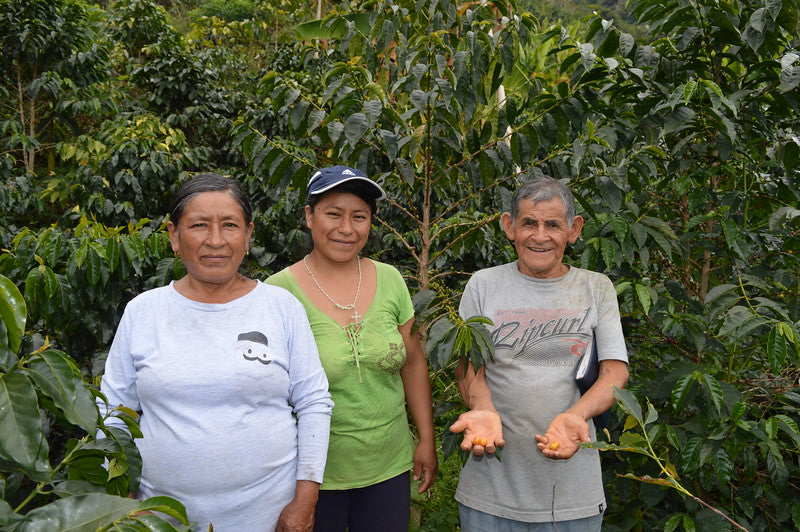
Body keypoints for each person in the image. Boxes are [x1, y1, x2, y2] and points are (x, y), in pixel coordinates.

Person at [98, 173, 333, 531]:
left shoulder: (280, 307)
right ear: (174, 236)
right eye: (198, 225)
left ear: (248, 235)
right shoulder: (144, 312)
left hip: (267, 515)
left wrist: (306, 499)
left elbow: (314, 402)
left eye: (229, 225)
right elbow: (113, 410)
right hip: (159, 517)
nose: (216, 240)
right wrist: (120, 497)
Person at [450, 177, 630, 531]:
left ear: (574, 230)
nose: (540, 236)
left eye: (553, 225)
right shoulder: (482, 285)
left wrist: (577, 416)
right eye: (529, 222)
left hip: (572, 496)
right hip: (489, 491)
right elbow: (468, 367)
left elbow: (615, 373)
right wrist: (482, 408)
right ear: (509, 226)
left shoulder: (596, 288)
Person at [265, 165, 438, 531]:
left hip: (388, 463)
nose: (347, 228)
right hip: (311, 475)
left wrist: (426, 438)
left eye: (359, 217)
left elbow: (412, 362)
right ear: (309, 216)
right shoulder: (278, 293)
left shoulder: (390, 279)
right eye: (333, 214)